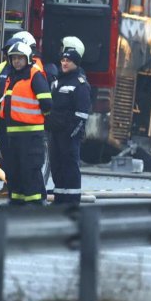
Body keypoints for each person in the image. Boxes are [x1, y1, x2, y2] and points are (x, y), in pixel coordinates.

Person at [0, 42, 52, 207]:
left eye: (20, 58)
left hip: (31, 134)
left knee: (30, 167)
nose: (17, 61)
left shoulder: (34, 76)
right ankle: (17, 198)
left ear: (28, 58)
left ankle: (34, 200)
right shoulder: (11, 77)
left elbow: (47, 104)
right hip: (13, 133)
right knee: (14, 167)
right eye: (14, 58)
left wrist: (44, 124)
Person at [47, 37, 91, 205]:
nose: (64, 63)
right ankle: (60, 198)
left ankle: (72, 200)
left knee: (70, 166)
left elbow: (82, 114)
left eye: (69, 60)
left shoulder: (80, 84)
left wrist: (72, 134)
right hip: (55, 133)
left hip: (69, 135)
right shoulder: (57, 82)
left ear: (76, 63)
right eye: (63, 60)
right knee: (56, 166)